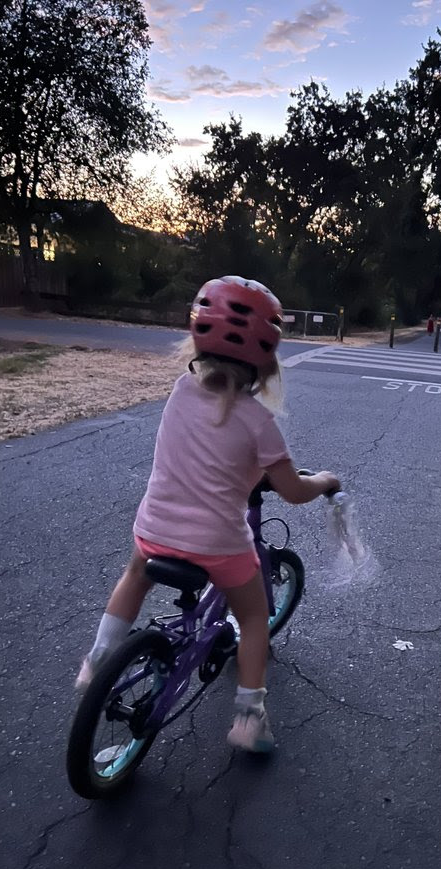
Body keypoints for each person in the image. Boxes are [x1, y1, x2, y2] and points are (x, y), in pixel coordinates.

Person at [75, 275, 340, 753]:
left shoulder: (180, 390)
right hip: (218, 546)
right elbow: (294, 491)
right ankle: (248, 717)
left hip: (153, 530)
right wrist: (324, 480)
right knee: (255, 617)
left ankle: (97, 660)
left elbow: (202, 452)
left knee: (135, 573)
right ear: (265, 363)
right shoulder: (260, 423)